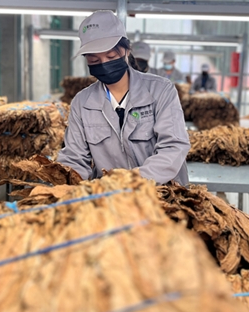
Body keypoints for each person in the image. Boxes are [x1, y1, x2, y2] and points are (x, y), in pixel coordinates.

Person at [57, 10, 190, 185]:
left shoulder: (160, 90)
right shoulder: (82, 103)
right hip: (110, 197)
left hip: (160, 193)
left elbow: (173, 146)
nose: (104, 64)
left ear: (127, 50)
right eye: (94, 60)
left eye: (111, 56)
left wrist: (132, 182)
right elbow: (74, 158)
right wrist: (67, 183)